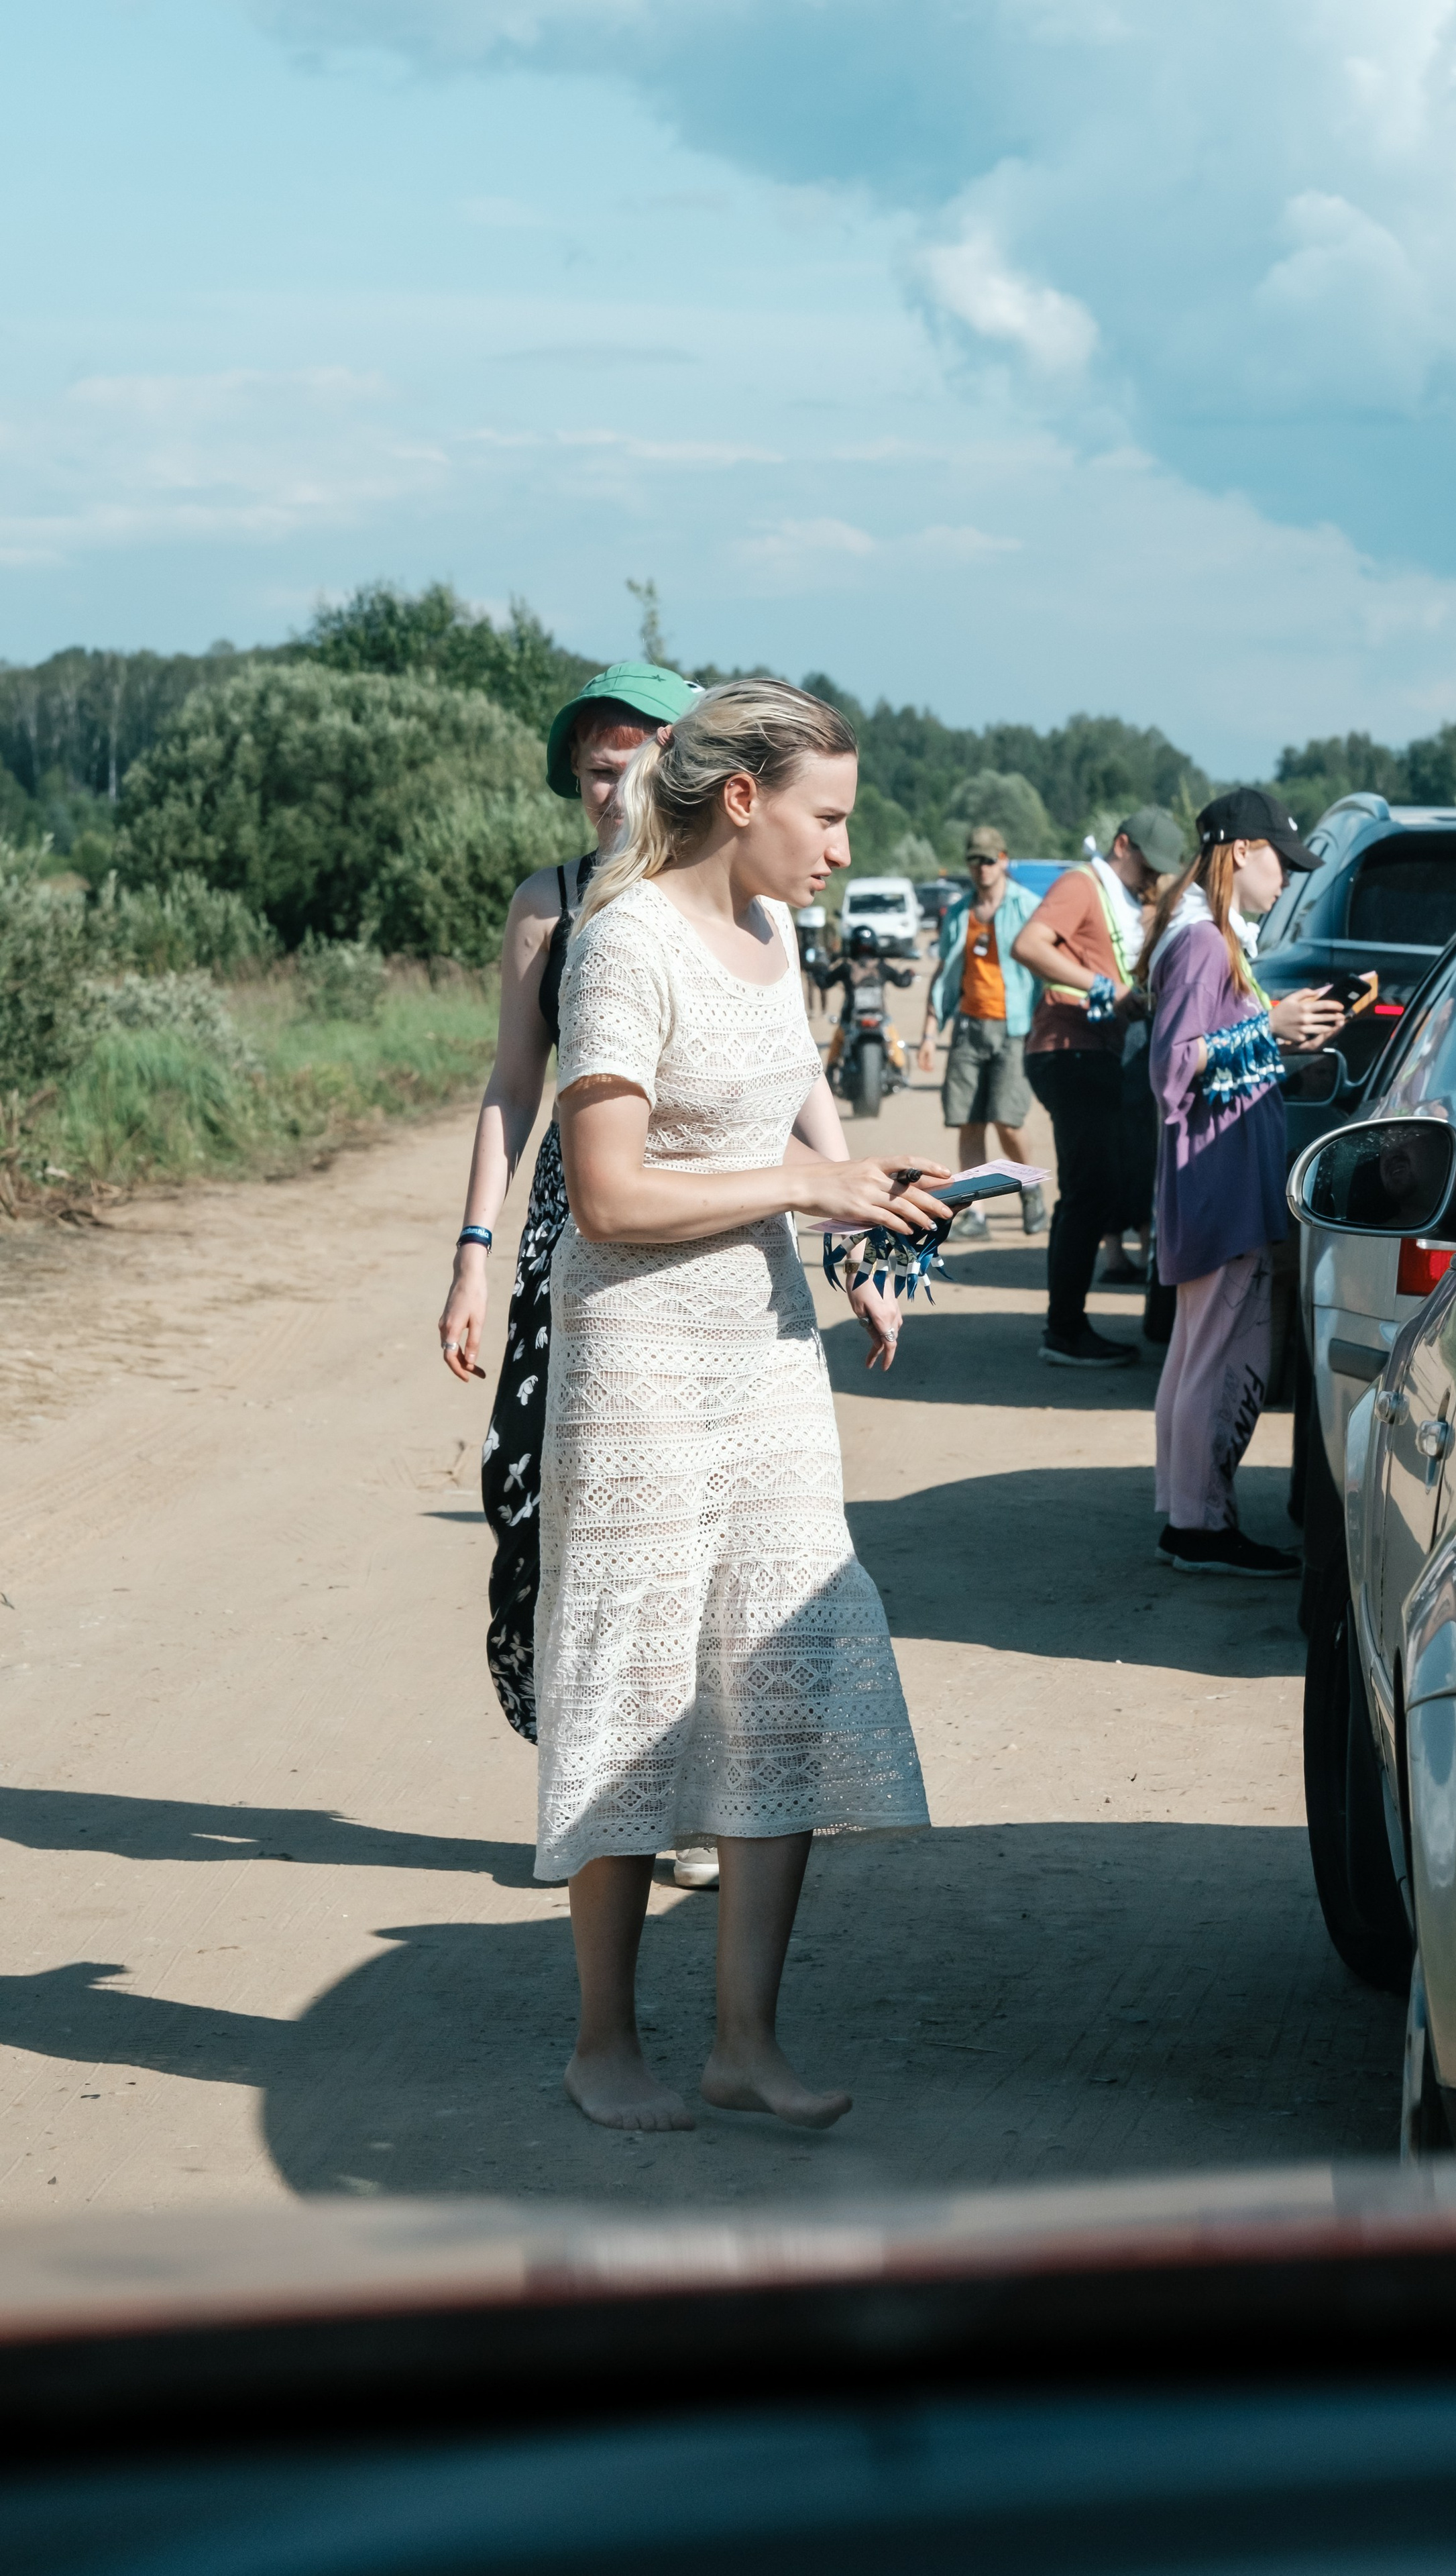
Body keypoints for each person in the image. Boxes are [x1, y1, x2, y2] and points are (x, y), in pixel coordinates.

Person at [541, 678, 943, 2133]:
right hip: (638, 1365)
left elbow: (788, 1113)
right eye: (825, 816)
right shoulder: (621, 944)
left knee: (783, 1679)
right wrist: (802, 1185)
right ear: (740, 800)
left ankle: (742, 2045)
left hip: (769, 1363)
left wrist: (861, 1228)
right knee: (636, 1688)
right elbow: (607, 1192)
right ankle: (603, 2045)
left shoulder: (774, 935)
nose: (839, 846)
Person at [438, 660, 702, 1752]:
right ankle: (582, 1783)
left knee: (685, 1518)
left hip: (700, 1233)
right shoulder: (546, 904)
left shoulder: (725, 900)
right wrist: (472, 1255)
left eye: (639, 763)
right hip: (571, 1238)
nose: (616, 788)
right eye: (598, 770)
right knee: (546, 1505)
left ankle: (686, 1781)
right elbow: (511, 1086)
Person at [1144, 788, 1345, 1574]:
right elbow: (1173, 1069)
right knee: (1218, 1359)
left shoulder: (1201, 934)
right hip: (1218, 1182)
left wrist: (1276, 1043)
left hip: (1213, 1177)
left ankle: (1186, 1513)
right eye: (1279, 863)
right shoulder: (1202, 942)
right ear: (1240, 853)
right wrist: (1270, 1027)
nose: (1286, 881)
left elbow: (1203, 1056)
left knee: (1196, 1355)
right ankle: (1198, 1526)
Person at [1009, 828, 1158, 1362]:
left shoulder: (1119, 895)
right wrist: (1107, 989)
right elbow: (1027, 945)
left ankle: (1066, 1327)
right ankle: (1065, 1332)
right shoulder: (1082, 883)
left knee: (1093, 1187)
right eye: (1149, 863)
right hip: (1070, 1051)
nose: (1154, 876)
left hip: (1090, 1052)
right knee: (1090, 1191)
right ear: (1123, 844)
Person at [917, 825, 1046, 1238]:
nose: (982, 868)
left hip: (1015, 1030)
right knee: (969, 1122)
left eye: (989, 860)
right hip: (969, 1029)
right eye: (975, 860)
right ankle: (975, 1215)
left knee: (1008, 1121)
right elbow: (945, 976)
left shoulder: (1028, 907)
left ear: (1003, 860)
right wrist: (929, 1032)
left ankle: (1030, 1191)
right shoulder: (959, 914)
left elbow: (1049, 968)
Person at [1097, 808, 1186, 1284]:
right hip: (1130, 1034)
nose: (1151, 878)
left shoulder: (1150, 905)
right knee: (1127, 1147)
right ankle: (1117, 1248)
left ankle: (1138, 1245)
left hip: (1146, 1034)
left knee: (1143, 1151)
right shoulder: (1116, 897)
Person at [815, 919, 916, 1085]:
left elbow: (824, 981)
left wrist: (818, 970)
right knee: (893, 1038)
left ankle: (830, 1075)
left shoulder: (846, 967)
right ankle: (898, 1072)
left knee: (837, 1043)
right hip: (880, 1021)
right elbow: (902, 981)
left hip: (850, 1021)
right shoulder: (882, 967)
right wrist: (909, 974)